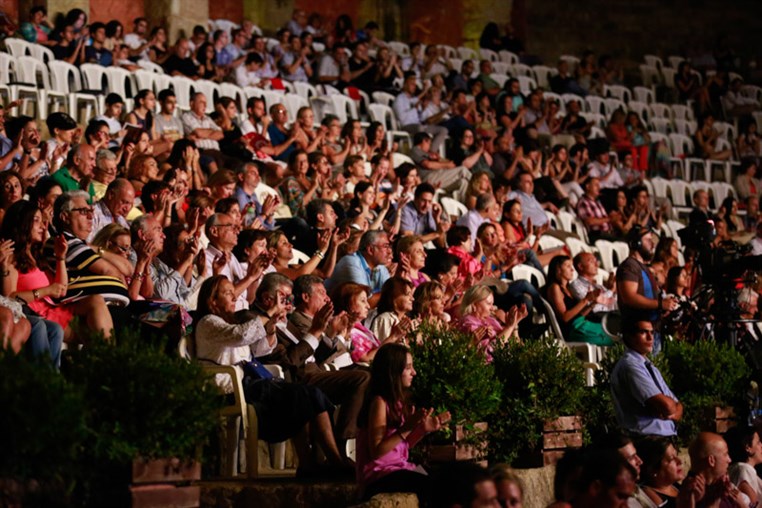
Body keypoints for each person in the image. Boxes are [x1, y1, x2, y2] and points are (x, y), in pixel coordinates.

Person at [194, 275, 349, 477]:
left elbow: (259, 352)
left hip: (251, 383)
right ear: (212, 300)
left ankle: (314, 463)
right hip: (232, 388)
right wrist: (269, 312)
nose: (234, 297)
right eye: (227, 293)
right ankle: (332, 462)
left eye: (234, 293)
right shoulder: (208, 322)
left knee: (306, 395)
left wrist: (270, 328)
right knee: (303, 395)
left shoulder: (228, 322)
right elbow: (241, 335)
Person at [355, 343, 451, 502]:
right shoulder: (379, 402)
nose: (414, 372)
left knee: (447, 479)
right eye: (408, 368)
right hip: (378, 476)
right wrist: (408, 427)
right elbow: (377, 452)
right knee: (429, 486)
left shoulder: (397, 402)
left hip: (396, 468)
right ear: (393, 372)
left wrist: (422, 430)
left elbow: (398, 447)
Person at [610, 319, 681, 437]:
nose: (650, 338)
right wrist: (669, 408)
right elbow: (667, 406)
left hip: (663, 437)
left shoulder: (649, 366)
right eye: (643, 332)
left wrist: (672, 411)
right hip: (646, 438)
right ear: (629, 337)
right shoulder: (630, 365)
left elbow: (678, 405)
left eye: (652, 333)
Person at [333, 283, 411, 363]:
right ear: (348, 304)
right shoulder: (347, 331)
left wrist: (398, 338)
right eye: (363, 301)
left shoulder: (360, 329)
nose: (368, 306)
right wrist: (393, 337)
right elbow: (367, 359)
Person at [546, 255, 614, 346]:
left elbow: (579, 315)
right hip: (573, 330)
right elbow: (565, 318)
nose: (572, 270)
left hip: (581, 324)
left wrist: (593, 303)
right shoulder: (555, 288)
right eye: (568, 266)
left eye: (572, 266)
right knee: (614, 335)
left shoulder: (568, 288)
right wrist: (586, 300)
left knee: (615, 329)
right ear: (558, 269)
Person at [457, 284, 527, 361]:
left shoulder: (490, 319)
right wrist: (509, 327)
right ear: (474, 305)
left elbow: (517, 345)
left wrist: (515, 324)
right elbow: (489, 353)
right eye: (488, 304)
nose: (492, 308)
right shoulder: (468, 323)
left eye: (492, 304)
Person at [688, 432, 748, 508]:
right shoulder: (693, 495)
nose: (729, 460)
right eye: (725, 454)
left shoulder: (719, 485)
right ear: (711, 460)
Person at [635, 436, 687, 508]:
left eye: (676, 455)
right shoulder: (652, 498)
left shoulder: (673, 485)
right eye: (671, 459)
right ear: (653, 470)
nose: (679, 461)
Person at [726, 426, 762, 504]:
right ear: (748, 447)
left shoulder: (738, 468)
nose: (761, 445)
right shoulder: (744, 470)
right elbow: (754, 504)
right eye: (758, 442)